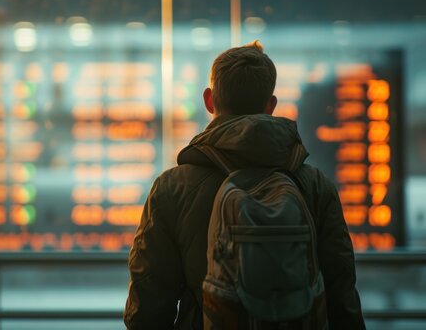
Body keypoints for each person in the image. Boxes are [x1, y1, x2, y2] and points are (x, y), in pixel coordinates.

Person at [123, 40, 365, 329]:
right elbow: (342, 297)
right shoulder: (314, 186)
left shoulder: (172, 188)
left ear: (209, 100)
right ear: (271, 105)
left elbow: (148, 302)